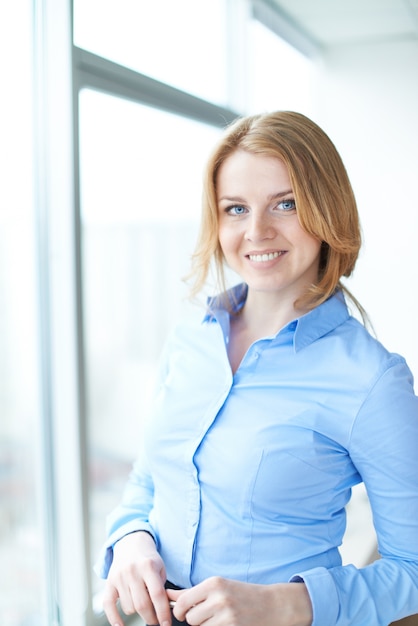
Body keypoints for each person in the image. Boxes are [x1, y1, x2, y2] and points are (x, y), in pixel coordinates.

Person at [95, 111, 418, 626]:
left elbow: (413, 568)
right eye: (236, 209)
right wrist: (130, 539)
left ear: (326, 209)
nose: (257, 231)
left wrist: (287, 603)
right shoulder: (189, 341)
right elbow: (151, 478)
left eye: (284, 204)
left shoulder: (372, 381)